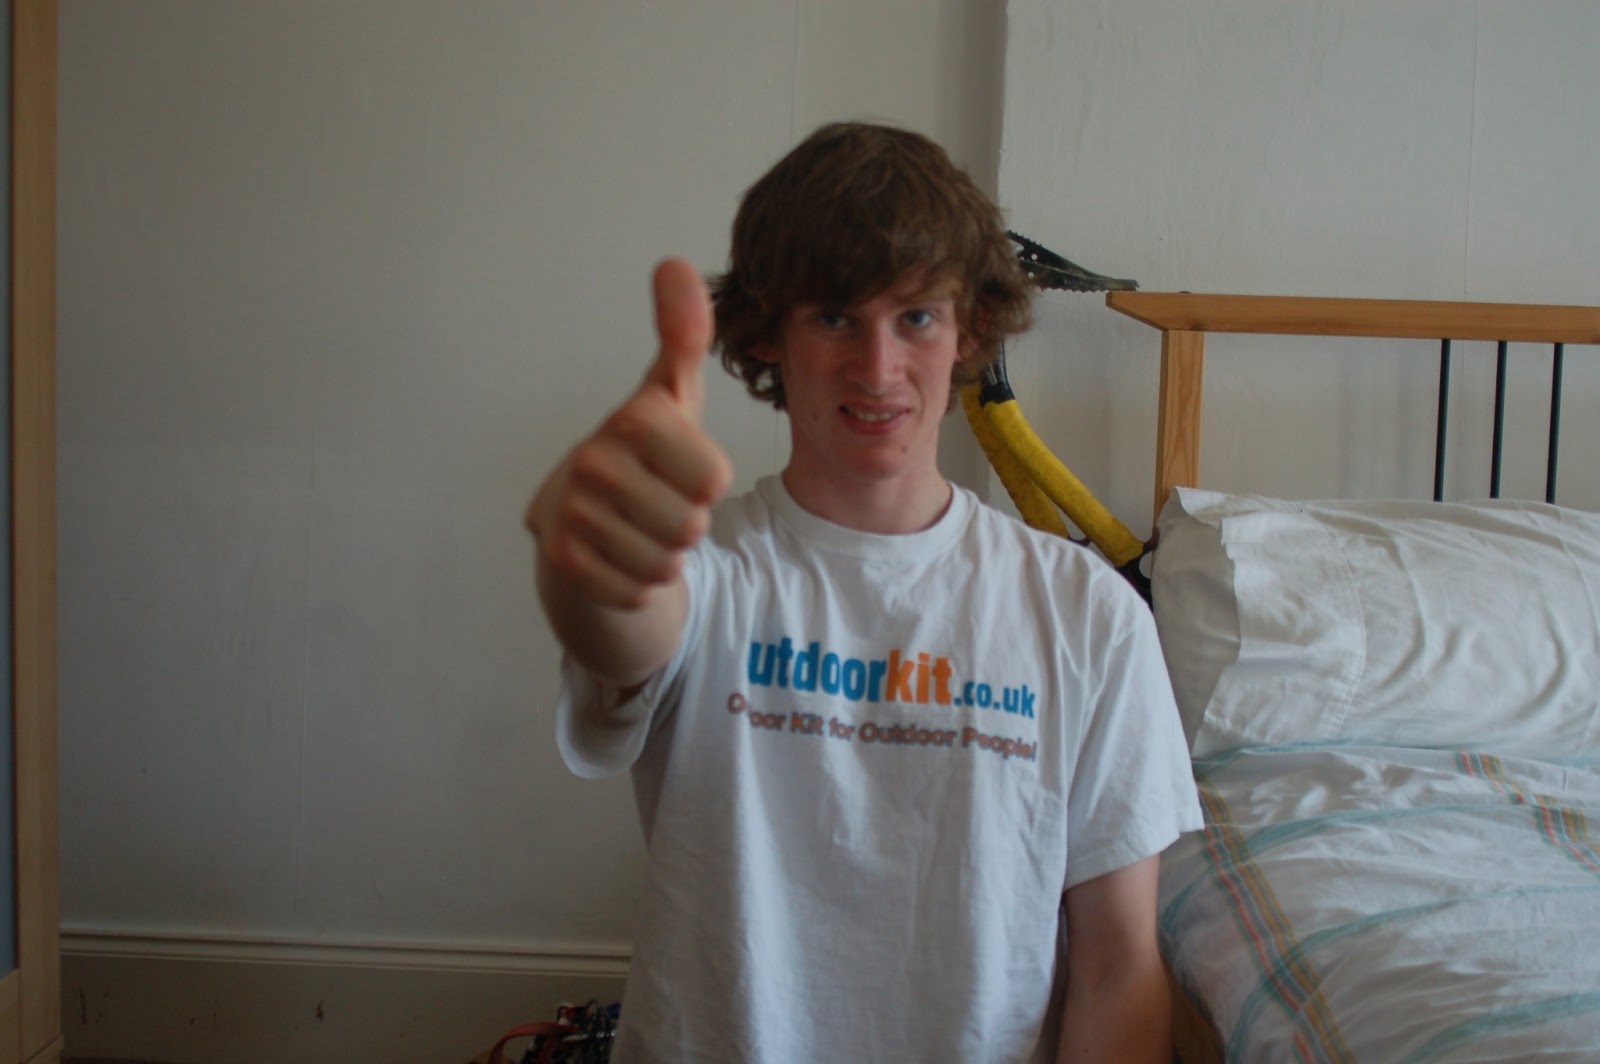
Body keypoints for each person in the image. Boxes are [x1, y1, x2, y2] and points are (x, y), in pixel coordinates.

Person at [525, 121, 1201, 1063]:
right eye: (836, 317)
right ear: (768, 334)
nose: (878, 368)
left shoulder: (1088, 616)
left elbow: (1116, 967)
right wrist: (585, 564)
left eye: (915, 317)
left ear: (969, 329)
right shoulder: (706, 570)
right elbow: (624, 626)